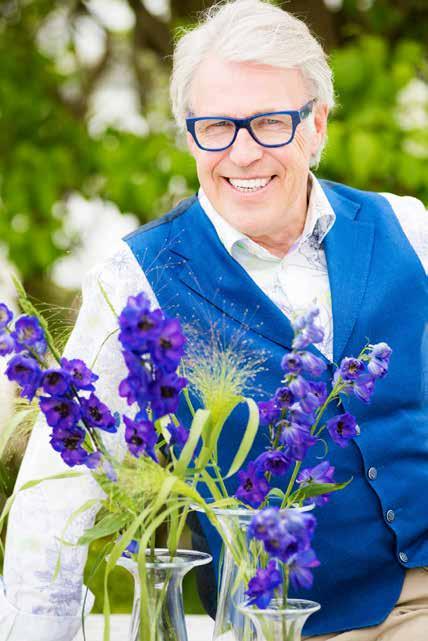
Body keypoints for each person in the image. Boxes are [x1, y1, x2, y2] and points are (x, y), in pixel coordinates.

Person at [1, 1, 427, 640]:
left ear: (318, 125)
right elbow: (55, 503)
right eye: (217, 127)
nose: (243, 153)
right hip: (287, 624)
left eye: (270, 124)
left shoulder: (409, 228)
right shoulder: (136, 278)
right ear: (190, 133)